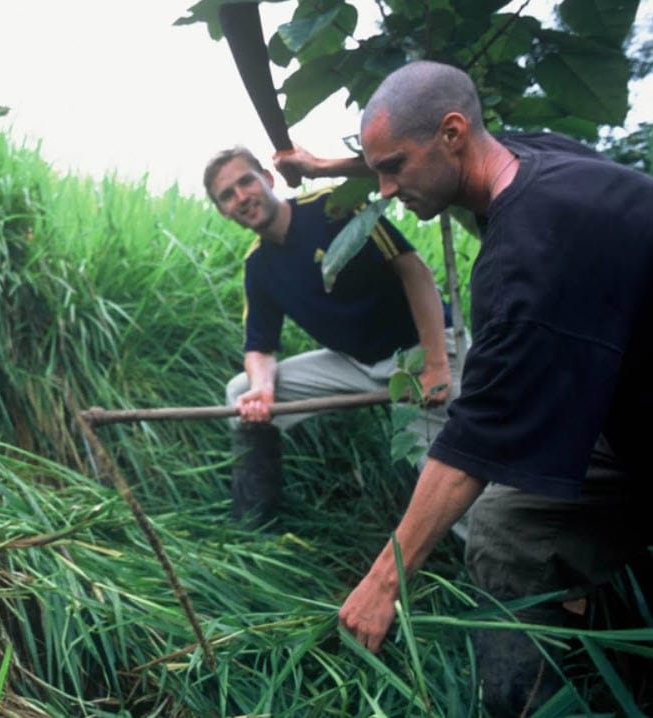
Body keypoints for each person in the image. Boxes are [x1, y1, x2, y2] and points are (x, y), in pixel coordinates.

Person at [285, 60, 653, 715]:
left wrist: (384, 581)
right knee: (510, 529)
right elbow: (427, 143)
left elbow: (473, 446)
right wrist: (327, 168)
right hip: (623, 412)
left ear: (454, 134)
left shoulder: (522, 267)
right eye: (378, 170)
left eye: (393, 169)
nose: (388, 189)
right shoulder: (535, 160)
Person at [203, 147, 460, 529]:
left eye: (246, 182)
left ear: (267, 180)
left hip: (421, 349)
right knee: (240, 391)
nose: (241, 197)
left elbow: (414, 271)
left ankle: (496, 567)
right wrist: (262, 389)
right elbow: (260, 346)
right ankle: (254, 526)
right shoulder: (257, 265)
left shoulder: (331, 207)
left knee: (446, 477)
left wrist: (436, 363)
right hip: (355, 363)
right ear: (224, 211)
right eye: (227, 195)